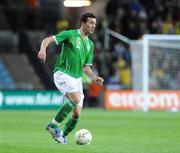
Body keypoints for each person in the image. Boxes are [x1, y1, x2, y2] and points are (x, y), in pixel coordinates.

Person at [38, 12, 104, 144]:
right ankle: (52, 126)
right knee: (76, 98)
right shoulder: (70, 34)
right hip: (62, 73)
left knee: (77, 114)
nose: (93, 26)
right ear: (83, 23)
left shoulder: (90, 45)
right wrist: (42, 49)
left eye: (95, 24)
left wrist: (94, 78)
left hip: (77, 79)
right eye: (91, 23)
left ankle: (62, 136)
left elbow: (86, 68)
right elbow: (48, 40)